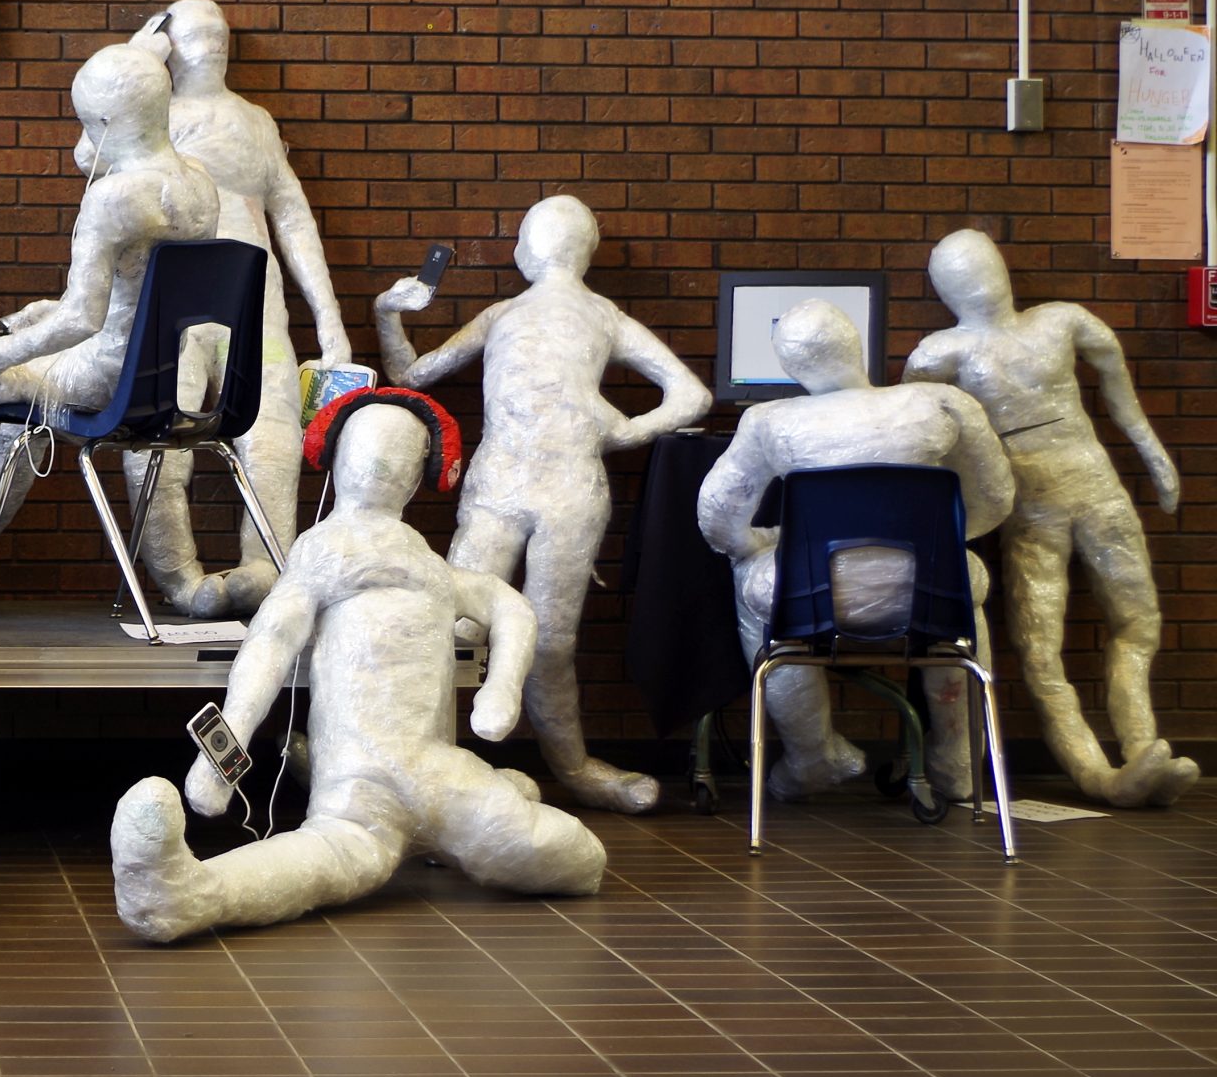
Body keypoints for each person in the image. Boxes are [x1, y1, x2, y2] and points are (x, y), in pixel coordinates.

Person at [111, 389, 604, 943]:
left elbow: (508, 606)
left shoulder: (428, 565)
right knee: (330, 856)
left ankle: (495, 799)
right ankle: (188, 893)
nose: (380, 465)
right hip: (361, 786)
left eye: (397, 453)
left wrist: (502, 688)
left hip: (441, 774)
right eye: (370, 449)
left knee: (577, 858)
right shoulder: (324, 555)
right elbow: (269, 645)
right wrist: (220, 756)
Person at [374, 195, 709, 813]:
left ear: (526, 250)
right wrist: (625, 430)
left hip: (531, 485)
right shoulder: (569, 315)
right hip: (541, 486)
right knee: (497, 630)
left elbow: (412, 374)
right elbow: (691, 394)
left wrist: (385, 313)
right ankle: (443, 760)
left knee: (479, 627)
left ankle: (567, 767)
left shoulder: (527, 314)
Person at [0, 40, 221, 607]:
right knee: (19, 415)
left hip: (105, 378)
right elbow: (134, 295)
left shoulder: (114, 197)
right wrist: (40, 320)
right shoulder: (199, 182)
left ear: (101, 119)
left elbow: (80, 318)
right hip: (161, 370)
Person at [906, 230, 1194, 806]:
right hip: (1026, 503)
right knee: (1041, 647)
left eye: (985, 267)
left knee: (1139, 620)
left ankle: (1142, 748)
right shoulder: (943, 352)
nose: (981, 283)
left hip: (1094, 480)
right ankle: (1095, 771)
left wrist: (1154, 453)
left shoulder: (1060, 320)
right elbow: (920, 431)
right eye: (963, 275)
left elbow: (1116, 382)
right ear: (946, 291)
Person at [698, 299, 1015, 801]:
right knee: (964, 580)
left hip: (812, 598)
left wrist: (766, 543)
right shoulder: (943, 402)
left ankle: (813, 754)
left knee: (752, 578)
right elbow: (997, 495)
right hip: (929, 592)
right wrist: (948, 538)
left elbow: (717, 518)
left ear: (789, 367)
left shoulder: (768, 421)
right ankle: (959, 765)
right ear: (857, 346)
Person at [102, 0, 354, 618]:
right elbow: (93, 156)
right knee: (160, 438)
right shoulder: (150, 121)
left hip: (256, 304)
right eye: (194, 35)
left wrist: (330, 319)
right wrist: (138, 59)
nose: (211, 45)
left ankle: (268, 568)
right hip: (174, 304)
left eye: (219, 34)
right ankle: (179, 579)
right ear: (170, 46)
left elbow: (294, 216)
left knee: (272, 435)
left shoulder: (257, 122)